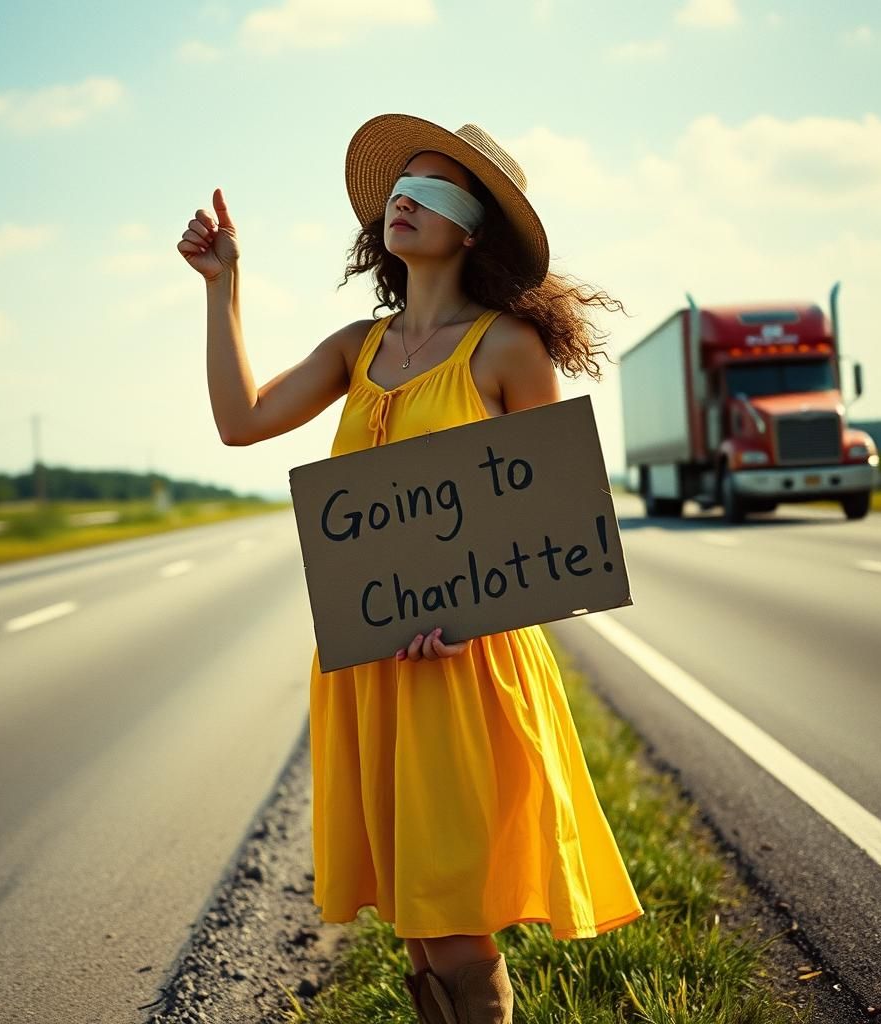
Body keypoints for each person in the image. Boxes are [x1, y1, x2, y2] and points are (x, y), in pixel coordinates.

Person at [178, 114, 645, 1024]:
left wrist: (470, 618)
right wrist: (222, 287)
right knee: (419, 927)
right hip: (370, 669)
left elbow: (552, 520)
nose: (404, 199)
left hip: (466, 664)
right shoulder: (357, 347)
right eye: (400, 187)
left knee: (456, 921)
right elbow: (241, 421)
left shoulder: (507, 348)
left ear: (472, 231)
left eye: (433, 190)